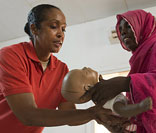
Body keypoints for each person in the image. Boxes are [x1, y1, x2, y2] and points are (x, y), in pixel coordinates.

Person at [0, 4, 115, 133]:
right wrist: (92, 113)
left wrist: (101, 109)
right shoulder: (11, 55)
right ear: (34, 29)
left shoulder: (61, 69)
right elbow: (27, 115)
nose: (60, 34)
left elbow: (71, 116)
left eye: (63, 29)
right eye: (54, 26)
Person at [81, 9, 156, 133]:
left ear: (143, 26)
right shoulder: (136, 69)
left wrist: (124, 83)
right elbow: (145, 119)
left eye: (128, 26)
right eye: (120, 29)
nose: (123, 32)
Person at [62, 67, 152, 118]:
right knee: (119, 108)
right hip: (128, 120)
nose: (85, 67)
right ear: (88, 87)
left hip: (126, 106)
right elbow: (118, 110)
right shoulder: (101, 100)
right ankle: (140, 107)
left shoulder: (102, 89)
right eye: (84, 71)